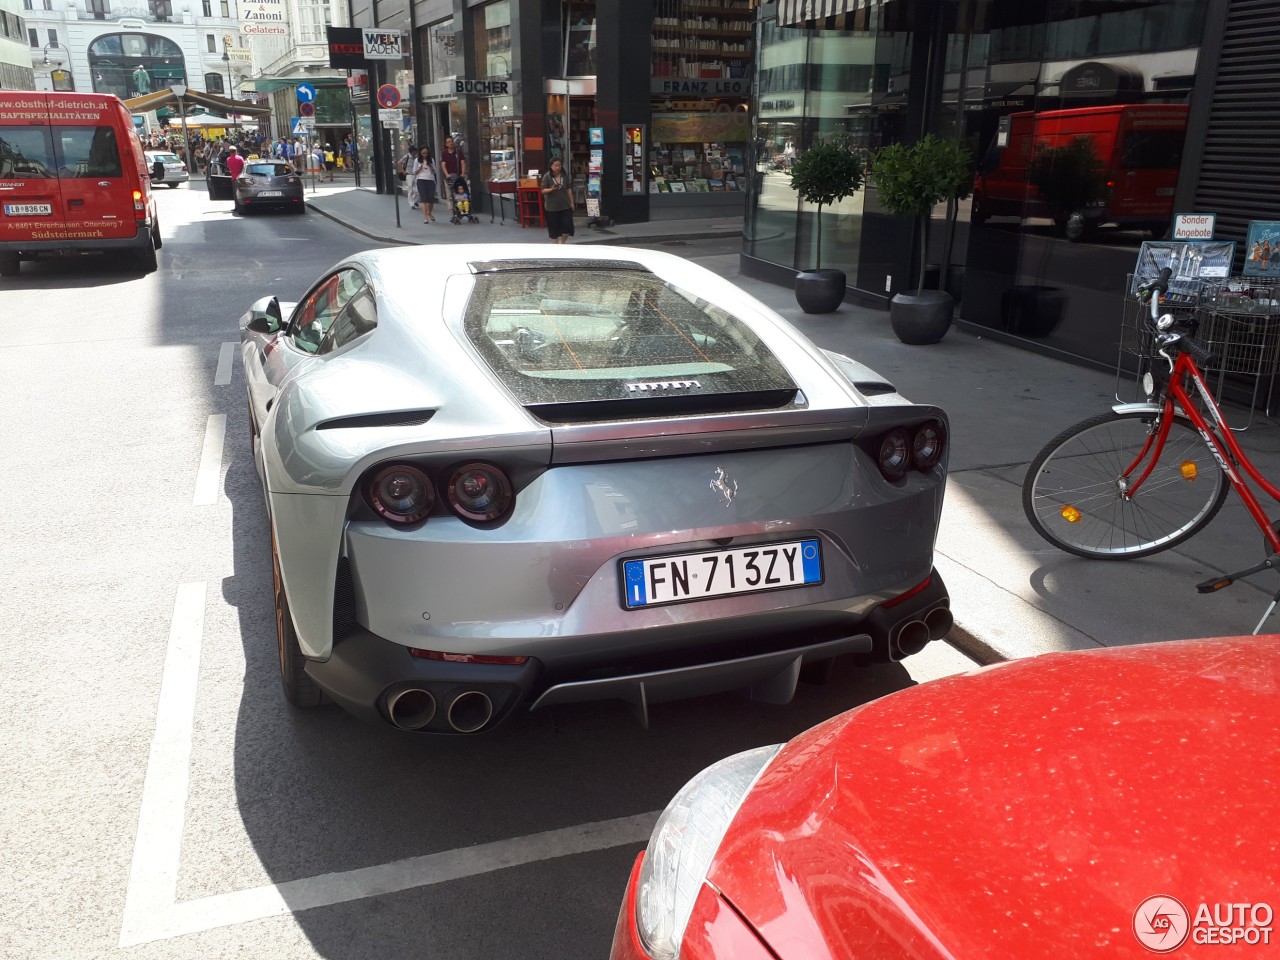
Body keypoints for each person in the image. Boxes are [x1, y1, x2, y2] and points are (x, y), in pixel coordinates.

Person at [541, 158, 575, 243]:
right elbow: (543, 191)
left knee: (567, 227)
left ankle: (562, 243)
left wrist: (572, 202)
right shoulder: (547, 176)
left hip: (565, 206)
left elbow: (568, 189)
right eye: (555, 165)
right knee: (554, 230)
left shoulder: (564, 176)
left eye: (559, 165)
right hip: (552, 208)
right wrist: (551, 189)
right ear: (551, 166)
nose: (557, 167)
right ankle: (555, 246)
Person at [412, 146, 437, 223]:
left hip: (430, 179)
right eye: (423, 153)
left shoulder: (431, 159)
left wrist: (430, 166)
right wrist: (420, 168)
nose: (425, 155)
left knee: (431, 199)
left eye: (426, 153)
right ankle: (425, 217)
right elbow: (414, 172)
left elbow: (435, 172)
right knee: (424, 199)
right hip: (421, 179)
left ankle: (429, 213)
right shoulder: (417, 160)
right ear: (420, 153)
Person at [398, 143, 418, 208]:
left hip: (416, 174)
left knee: (417, 190)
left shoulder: (417, 157)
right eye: (414, 151)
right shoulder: (406, 157)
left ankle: (415, 201)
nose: (415, 152)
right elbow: (399, 162)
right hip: (409, 175)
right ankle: (411, 203)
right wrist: (403, 171)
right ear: (411, 151)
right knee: (410, 189)